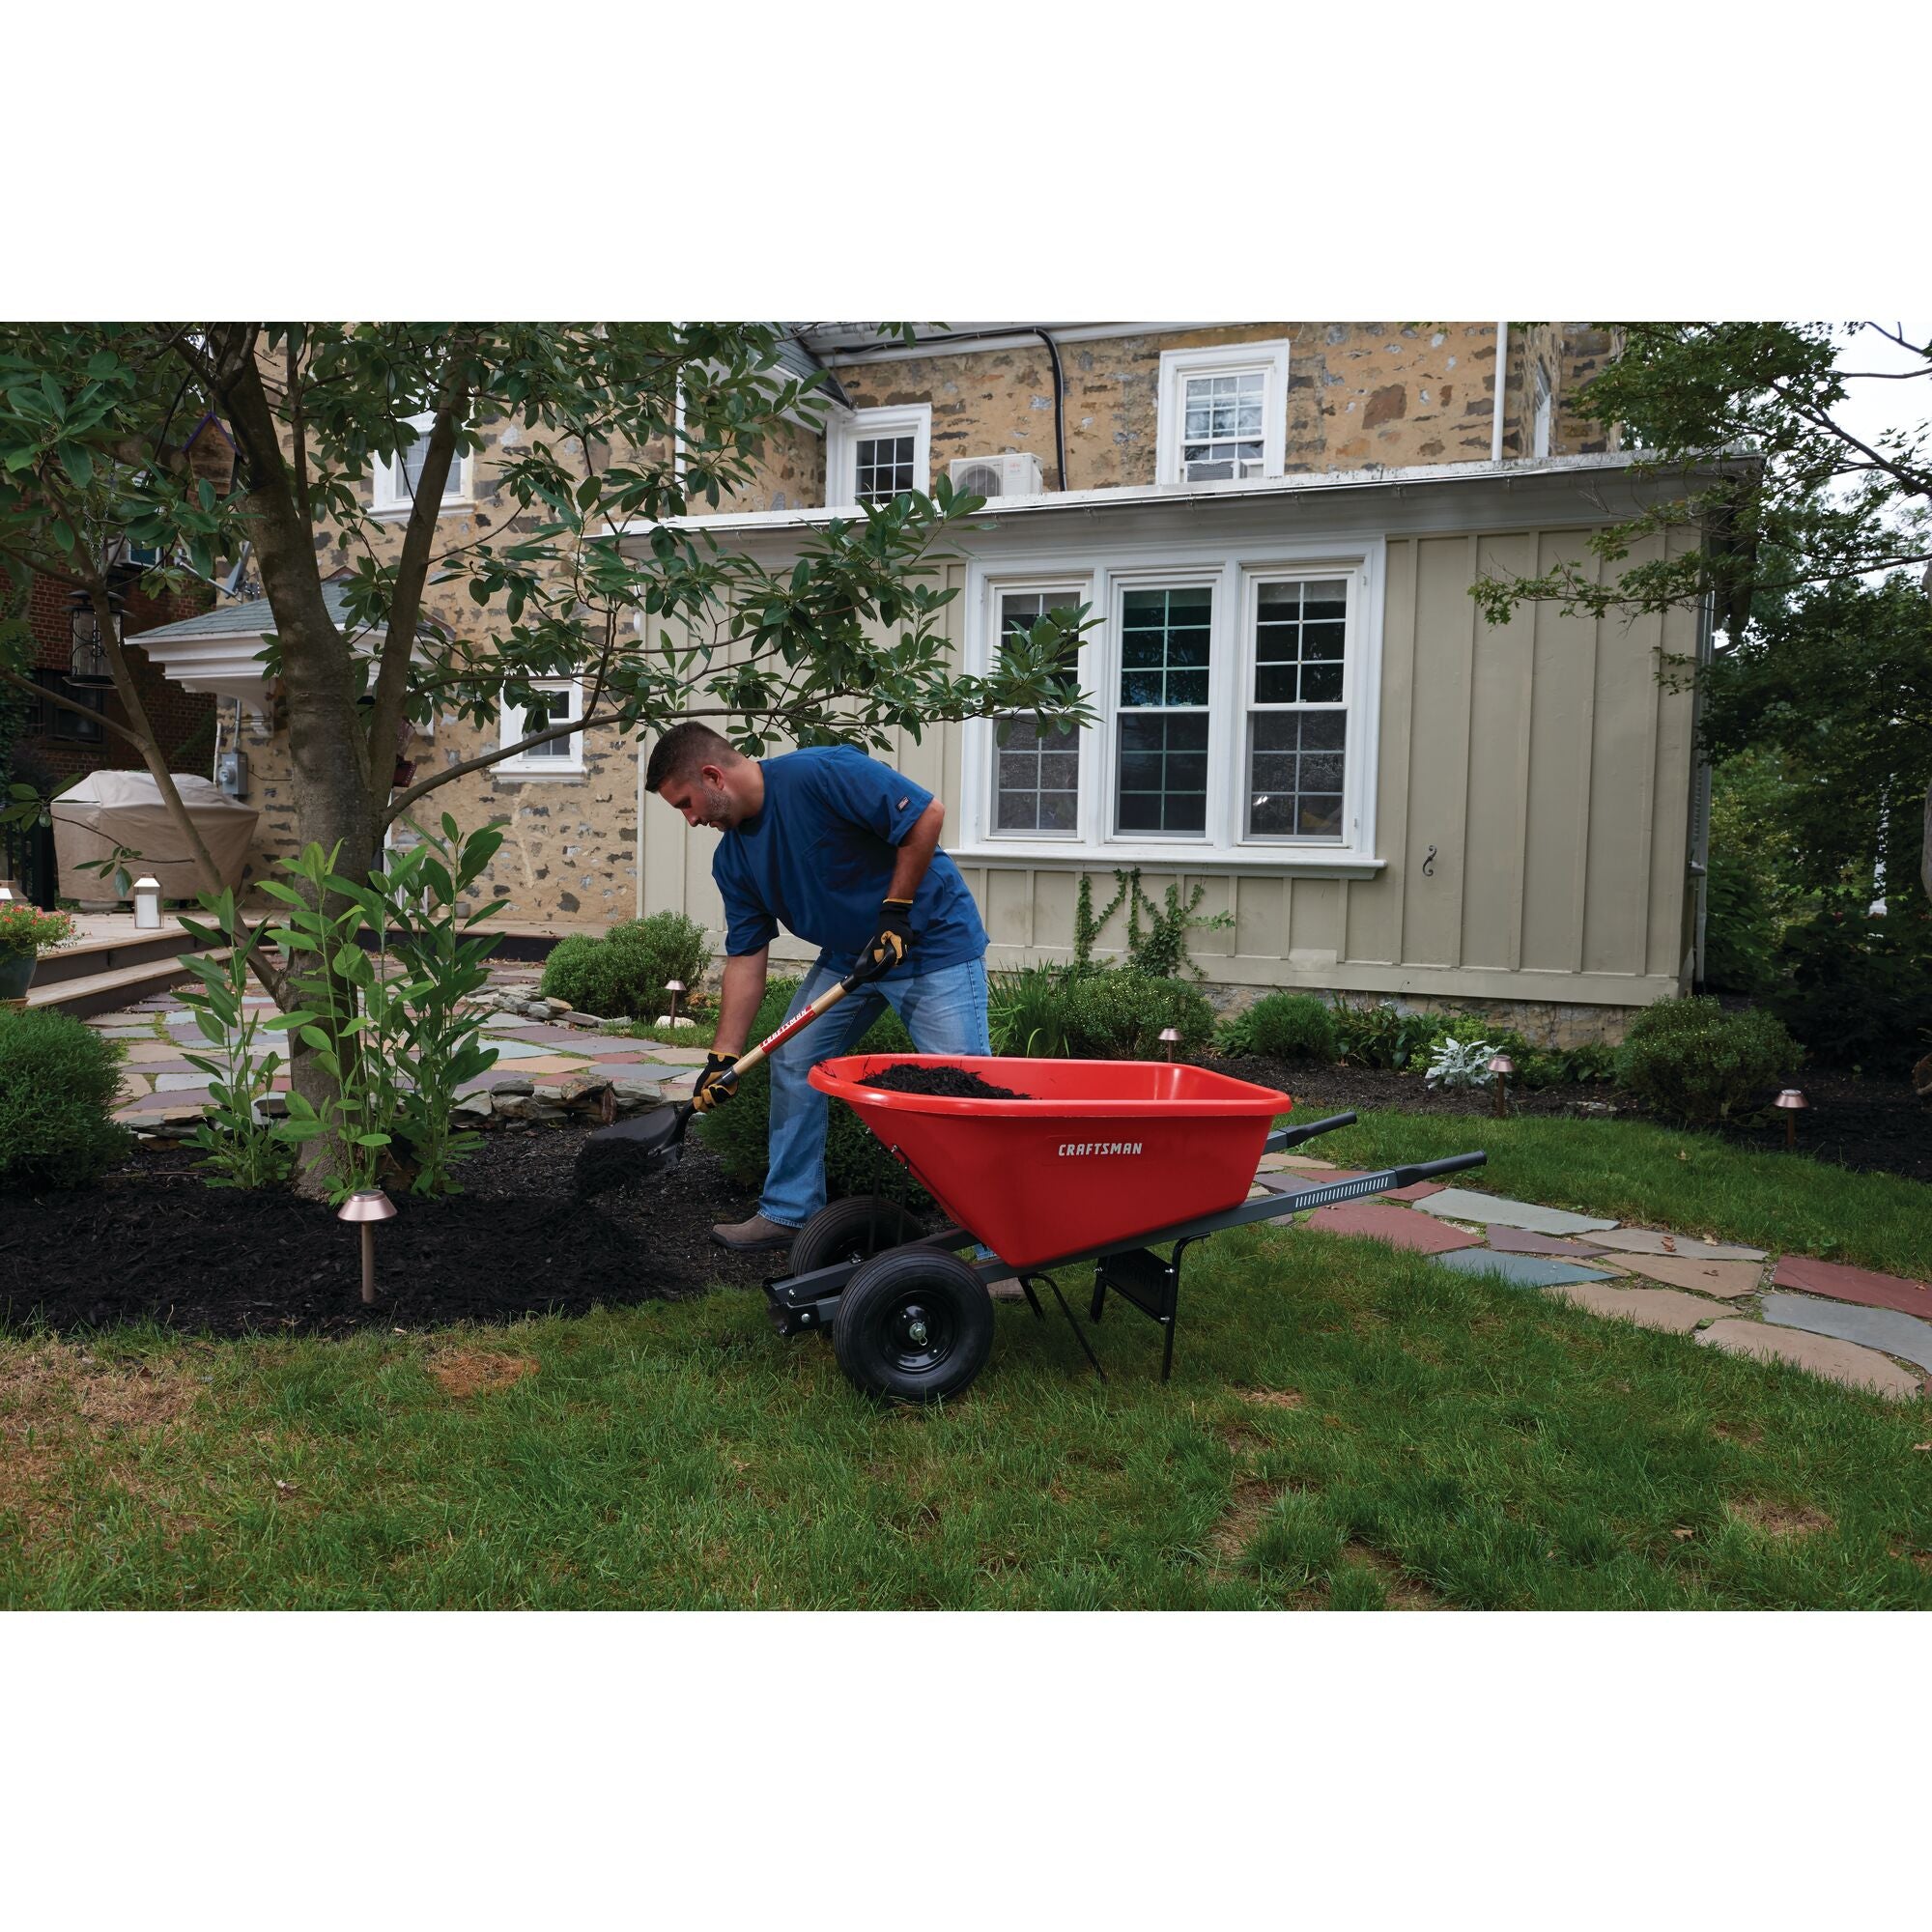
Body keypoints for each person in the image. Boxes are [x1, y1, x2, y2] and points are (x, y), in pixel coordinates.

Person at [644, 721, 991, 1252]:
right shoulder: (733, 858)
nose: (690, 819)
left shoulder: (822, 773)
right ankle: (788, 1211)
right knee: (793, 1060)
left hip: (930, 946)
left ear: (713, 776)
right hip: (851, 959)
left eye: (685, 804)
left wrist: (896, 912)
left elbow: (926, 815)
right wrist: (724, 1057)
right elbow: (746, 957)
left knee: (962, 1091)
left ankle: (998, 1246)